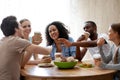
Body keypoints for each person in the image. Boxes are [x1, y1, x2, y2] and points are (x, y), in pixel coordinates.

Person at [0, 15, 49, 80]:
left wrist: (40, 60)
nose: (26, 29)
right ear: (16, 29)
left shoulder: (4, 40)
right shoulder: (16, 41)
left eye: (29, 26)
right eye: (22, 26)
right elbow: (46, 51)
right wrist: (59, 49)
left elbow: (23, 62)